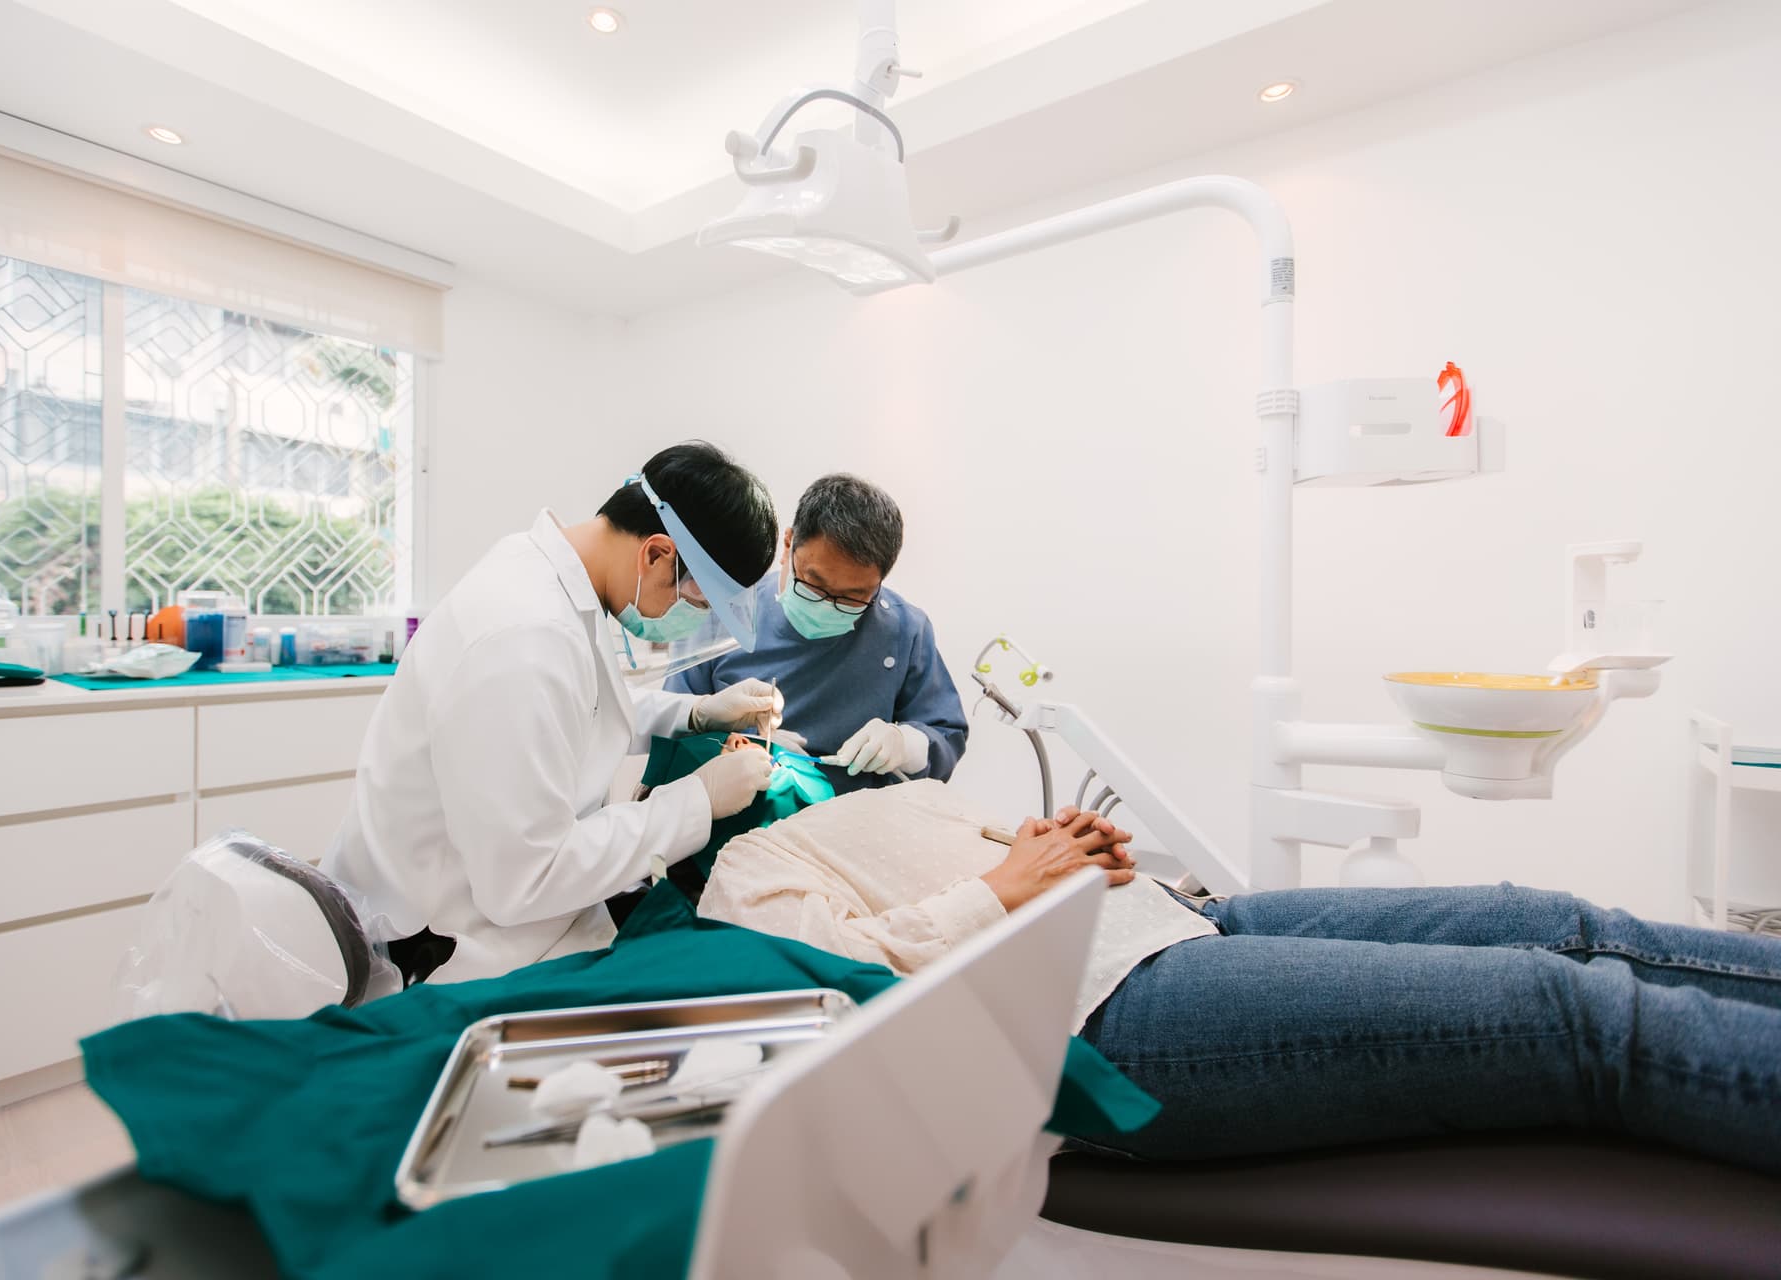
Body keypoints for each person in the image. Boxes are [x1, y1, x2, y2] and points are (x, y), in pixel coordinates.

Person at [696, 773, 1781, 1174]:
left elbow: (1019, 849)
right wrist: (1009, 882)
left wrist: (1075, 845)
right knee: (1568, 1010)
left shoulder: (900, 788)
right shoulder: (745, 861)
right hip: (1106, 1009)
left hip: (1182, 919)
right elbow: (835, 991)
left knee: (1548, 918)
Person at [329, 443, 791, 985]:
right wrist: (697, 800)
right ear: (657, 554)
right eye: (697, 601)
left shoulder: (548, 580)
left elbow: (573, 709)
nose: (689, 617)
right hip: (449, 948)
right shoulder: (523, 637)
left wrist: (696, 713)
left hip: (510, 909)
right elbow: (525, 879)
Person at [667, 474, 966, 792]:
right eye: (814, 584)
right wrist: (727, 744)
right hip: (731, 814)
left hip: (849, 825)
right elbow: (669, 727)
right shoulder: (720, 614)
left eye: (853, 596)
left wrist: (907, 745)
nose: (828, 605)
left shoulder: (905, 630)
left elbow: (946, 733)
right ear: (787, 545)